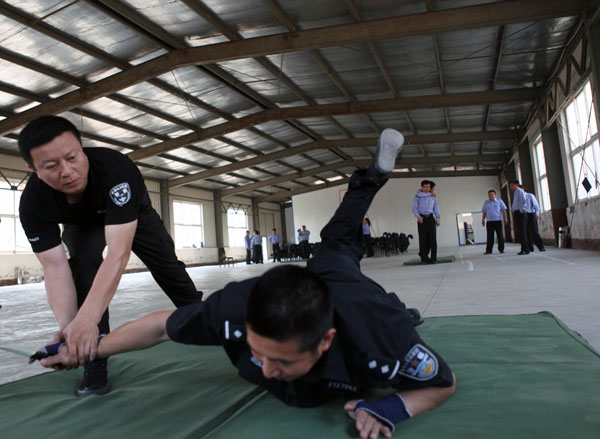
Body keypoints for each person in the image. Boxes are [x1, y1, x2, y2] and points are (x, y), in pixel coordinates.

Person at [42, 128, 455, 438]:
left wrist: (391, 408)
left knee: (339, 239)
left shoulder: (380, 339)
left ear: (326, 342)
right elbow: (157, 326)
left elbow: (440, 384)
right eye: (261, 355)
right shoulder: (235, 309)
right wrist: (82, 348)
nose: (270, 372)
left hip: (346, 286)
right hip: (301, 289)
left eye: (285, 362)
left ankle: (372, 177)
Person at [17, 115, 203, 397]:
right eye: (51, 166)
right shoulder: (32, 203)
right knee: (81, 262)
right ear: (33, 169)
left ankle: (207, 320)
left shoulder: (115, 169)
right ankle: (94, 362)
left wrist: (87, 318)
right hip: (82, 224)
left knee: (167, 268)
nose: (67, 171)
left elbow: (118, 253)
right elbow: (55, 268)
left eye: (72, 157)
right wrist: (71, 331)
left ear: (82, 148)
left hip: (133, 215)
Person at [412, 180, 440, 264]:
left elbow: (436, 208)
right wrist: (418, 216)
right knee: (423, 239)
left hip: (430, 218)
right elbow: (414, 207)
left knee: (433, 239)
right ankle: (424, 259)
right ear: (422, 187)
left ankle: (433, 259)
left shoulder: (433, 196)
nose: (427, 188)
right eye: (425, 187)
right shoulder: (417, 196)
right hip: (422, 219)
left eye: (428, 187)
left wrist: (437, 219)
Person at [481, 190, 507, 254]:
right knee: (490, 237)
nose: (490, 196)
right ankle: (489, 251)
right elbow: (484, 212)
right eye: (489, 195)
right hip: (489, 222)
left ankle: (501, 249)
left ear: (495, 195)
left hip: (498, 221)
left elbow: (504, 210)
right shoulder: (486, 203)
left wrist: (505, 219)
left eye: (492, 194)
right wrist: (483, 220)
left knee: (500, 236)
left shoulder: (499, 201)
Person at [522, 187, 546, 252]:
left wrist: (537, 213)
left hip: (531, 214)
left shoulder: (530, 195)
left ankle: (541, 246)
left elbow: (536, 206)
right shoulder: (518, 197)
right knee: (526, 232)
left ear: (523, 189)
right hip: (523, 216)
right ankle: (530, 247)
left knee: (534, 231)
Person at [508, 180, 529, 255]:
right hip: (517, 212)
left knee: (522, 231)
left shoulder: (519, 191)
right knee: (520, 232)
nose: (511, 187)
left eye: (512, 185)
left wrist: (522, 209)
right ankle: (524, 248)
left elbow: (523, 200)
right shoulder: (516, 192)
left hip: (520, 212)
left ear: (516, 184)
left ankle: (526, 249)